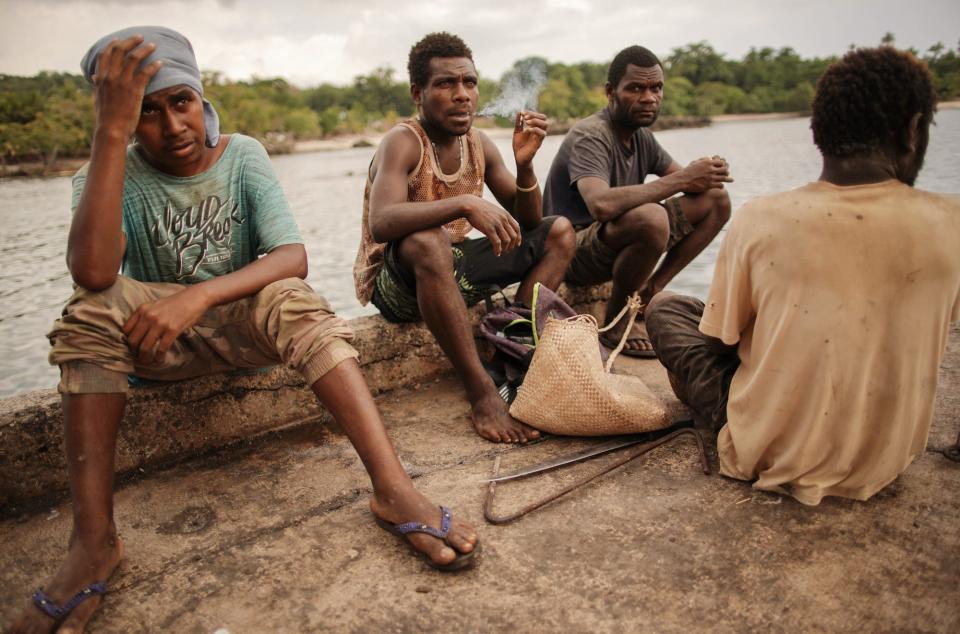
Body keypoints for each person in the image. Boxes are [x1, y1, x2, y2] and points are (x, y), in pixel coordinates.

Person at [12, 26, 479, 634]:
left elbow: (290, 256)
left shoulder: (242, 155)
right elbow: (95, 272)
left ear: (201, 99)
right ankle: (94, 540)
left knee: (292, 297)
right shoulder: (103, 173)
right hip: (158, 344)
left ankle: (392, 488)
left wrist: (197, 296)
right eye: (145, 113)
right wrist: (108, 133)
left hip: (244, 328)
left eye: (180, 102)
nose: (173, 126)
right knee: (88, 309)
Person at [645, 47, 960, 505]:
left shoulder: (761, 218)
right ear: (912, 131)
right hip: (885, 463)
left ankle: (725, 420)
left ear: (819, 133)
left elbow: (717, 346)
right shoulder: (950, 223)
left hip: (763, 453)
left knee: (665, 309)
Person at [354, 32, 576, 444]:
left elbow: (531, 220)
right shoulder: (402, 142)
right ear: (418, 93)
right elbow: (383, 221)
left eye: (469, 83)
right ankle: (482, 393)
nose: (462, 95)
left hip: (451, 268)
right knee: (427, 240)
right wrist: (465, 204)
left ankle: (510, 343)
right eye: (445, 84)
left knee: (559, 231)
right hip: (399, 282)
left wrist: (524, 167)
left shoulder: (479, 142)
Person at [543, 45, 732, 357]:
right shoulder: (591, 135)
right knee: (651, 218)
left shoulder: (641, 136)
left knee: (717, 200)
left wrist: (707, 173)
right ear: (610, 92)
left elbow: (692, 185)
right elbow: (600, 205)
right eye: (636, 88)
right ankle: (616, 323)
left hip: (610, 241)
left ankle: (649, 292)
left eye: (656, 88)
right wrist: (685, 179)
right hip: (569, 251)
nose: (649, 97)